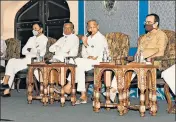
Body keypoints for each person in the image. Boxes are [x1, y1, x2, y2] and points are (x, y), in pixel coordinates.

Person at [107, 13, 169, 102]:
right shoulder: (143, 37)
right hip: (139, 61)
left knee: (131, 68)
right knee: (123, 68)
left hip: (153, 63)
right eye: (146, 22)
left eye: (149, 22)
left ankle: (113, 90)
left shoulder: (161, 35)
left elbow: (161, 52)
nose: (147, 24)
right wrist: (135, 58)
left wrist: (149, 58)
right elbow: (138, 53)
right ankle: (115, 90)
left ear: (156, 24)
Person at [65, 19, 109, 104]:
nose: (92, 29)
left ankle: (69, 84)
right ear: (87, 28)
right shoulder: (87, 38)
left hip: (99, 62)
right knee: (79, 66)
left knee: (77, 61)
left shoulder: (101, 38)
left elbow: (96, 54)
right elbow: (83, 53)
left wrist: (85, 44)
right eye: (90, 27)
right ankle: (83, 95)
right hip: (88, 62)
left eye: (94, 27)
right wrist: (88, 55)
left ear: (98, 27)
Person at [0, 23, 48, 97]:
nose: (34, 30)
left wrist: (30, 49)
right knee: (11, 61)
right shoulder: (31, 38)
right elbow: (23, 51)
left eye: (36, 28)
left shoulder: (44, 39)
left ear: (41, 29)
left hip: (35, 61)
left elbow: (40, 52)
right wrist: (32, 50)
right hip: (26, 59)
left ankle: (6, 88)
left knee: (12, 65)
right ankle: (6, 84)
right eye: (33, 29)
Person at [48, 21, 79, 94]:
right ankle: (52, 86)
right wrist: (60, 48)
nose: (67, 30)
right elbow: (50, 49)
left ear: (73, 30)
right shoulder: (62, 38)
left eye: (69, 28)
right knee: (43, 67)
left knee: (51, 65)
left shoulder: (74, 38)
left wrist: (58, 48)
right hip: (58, 58)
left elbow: (64, 49)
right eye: (65, 28)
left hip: (69, 59)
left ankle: (58, 88)